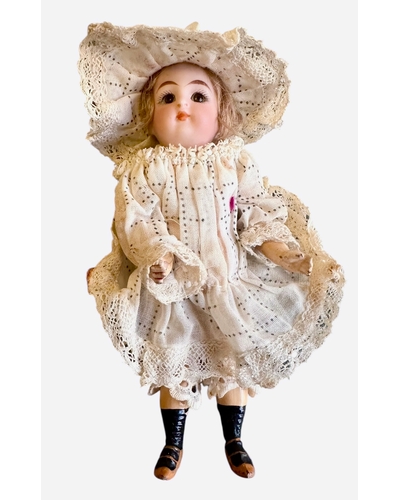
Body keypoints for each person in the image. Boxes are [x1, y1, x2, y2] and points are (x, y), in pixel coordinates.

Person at [78, 22, 345, 481]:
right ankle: (173, 442)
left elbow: (255, 211)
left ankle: (234, 439)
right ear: (148, 114)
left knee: (231, 364)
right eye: (168, 98)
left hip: (231, 281)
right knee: (175, 366)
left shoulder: (232, 161)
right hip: (172, 291)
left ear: (223, 112)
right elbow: (135, 220)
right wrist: (158, 254)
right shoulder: (144, 167)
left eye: (198, 96)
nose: (182, 106)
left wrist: (282, 251)